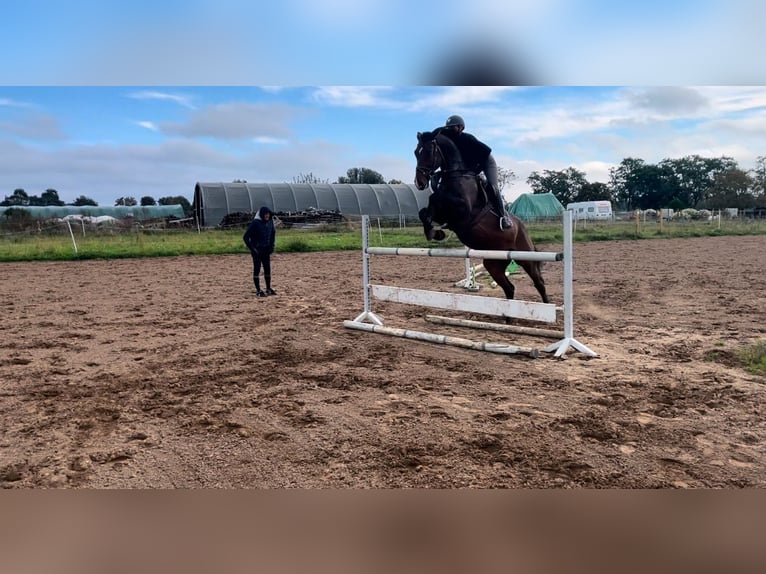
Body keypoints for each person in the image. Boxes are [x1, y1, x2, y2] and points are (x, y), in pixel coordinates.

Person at [438, 114, 512, 230]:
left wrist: (475, 171)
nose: (450, 130)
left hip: (486, 161)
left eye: (453, 127)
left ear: (461, 127)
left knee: (493, 187)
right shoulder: (448, 138)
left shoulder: (467, 138)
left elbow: (485, 152)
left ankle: (504, 217)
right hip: (469, 165)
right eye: (449, 127)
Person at [243, 206, 277, 297]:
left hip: (266, 250)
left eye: (268, 214)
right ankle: (258, 290)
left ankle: (268, 288)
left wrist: (272, 245)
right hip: (257, 251)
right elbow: (246, 237)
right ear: (262, 214)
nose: (267, 216)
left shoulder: (270, 222)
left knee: (267, 269)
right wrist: (252, 249)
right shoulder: (255, 223)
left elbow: (273, 233)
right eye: (265, 214)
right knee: (257, 269)